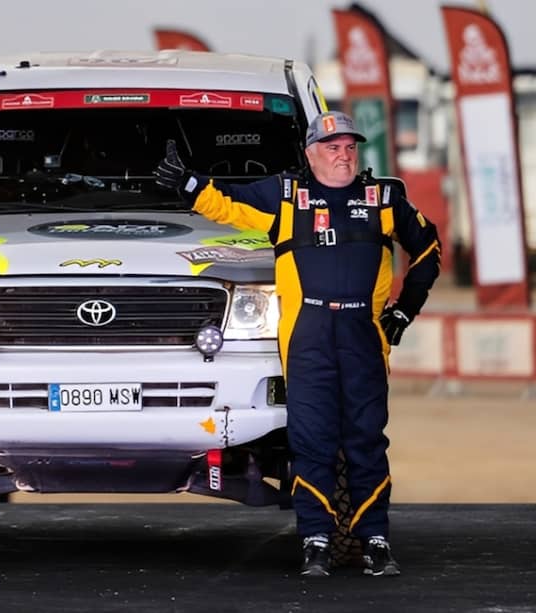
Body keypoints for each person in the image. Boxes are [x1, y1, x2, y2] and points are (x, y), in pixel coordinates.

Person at [154, 110, 440, 577]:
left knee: (366, 440)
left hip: (363, 335)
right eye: (332, 147)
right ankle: (316, 541)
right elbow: (228, 202)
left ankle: (376, 541)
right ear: (310, 154)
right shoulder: (287, 195)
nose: (343, 155)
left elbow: (428, 250)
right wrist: (187, 182)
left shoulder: (384, 198)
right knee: (311, 441)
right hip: (306, 335)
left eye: (350, 147)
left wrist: (404, 311)